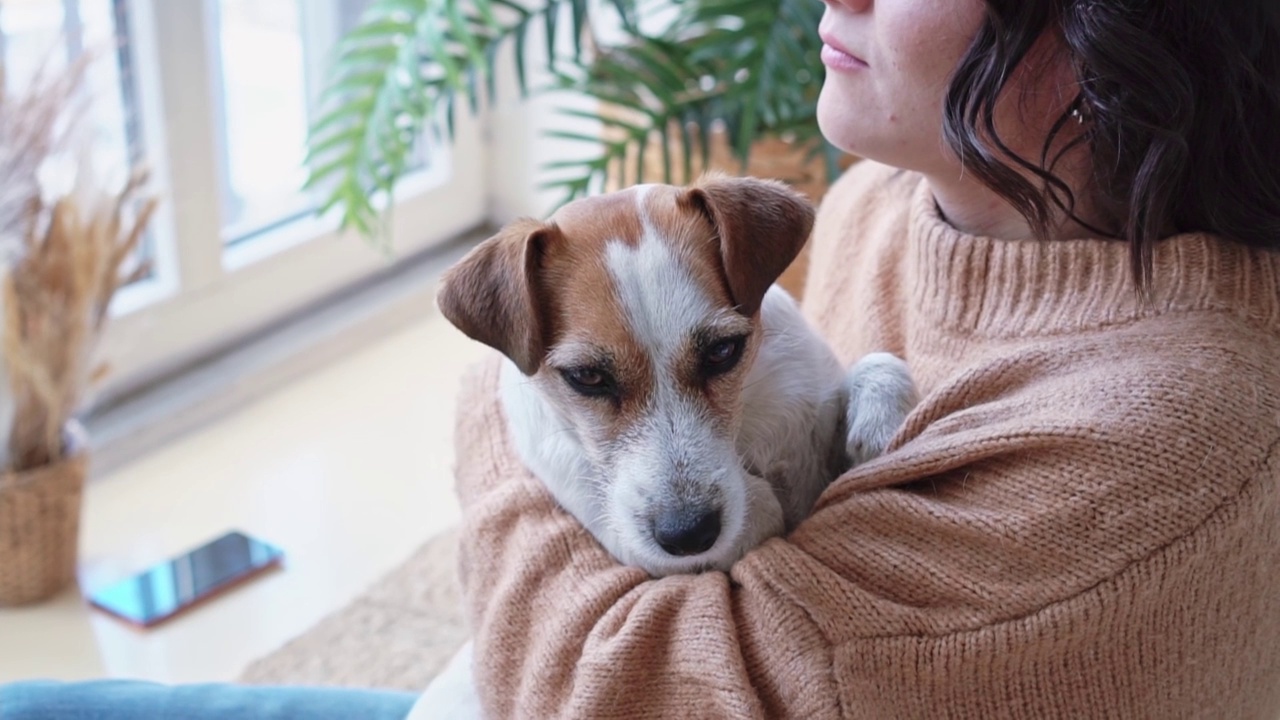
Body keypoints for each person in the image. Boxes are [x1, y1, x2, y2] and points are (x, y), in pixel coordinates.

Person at [4, 0, 1278, 717]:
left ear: (1119, 32)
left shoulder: (1162, 456)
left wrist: (522, 400)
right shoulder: (907, 198)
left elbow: (609, 692)